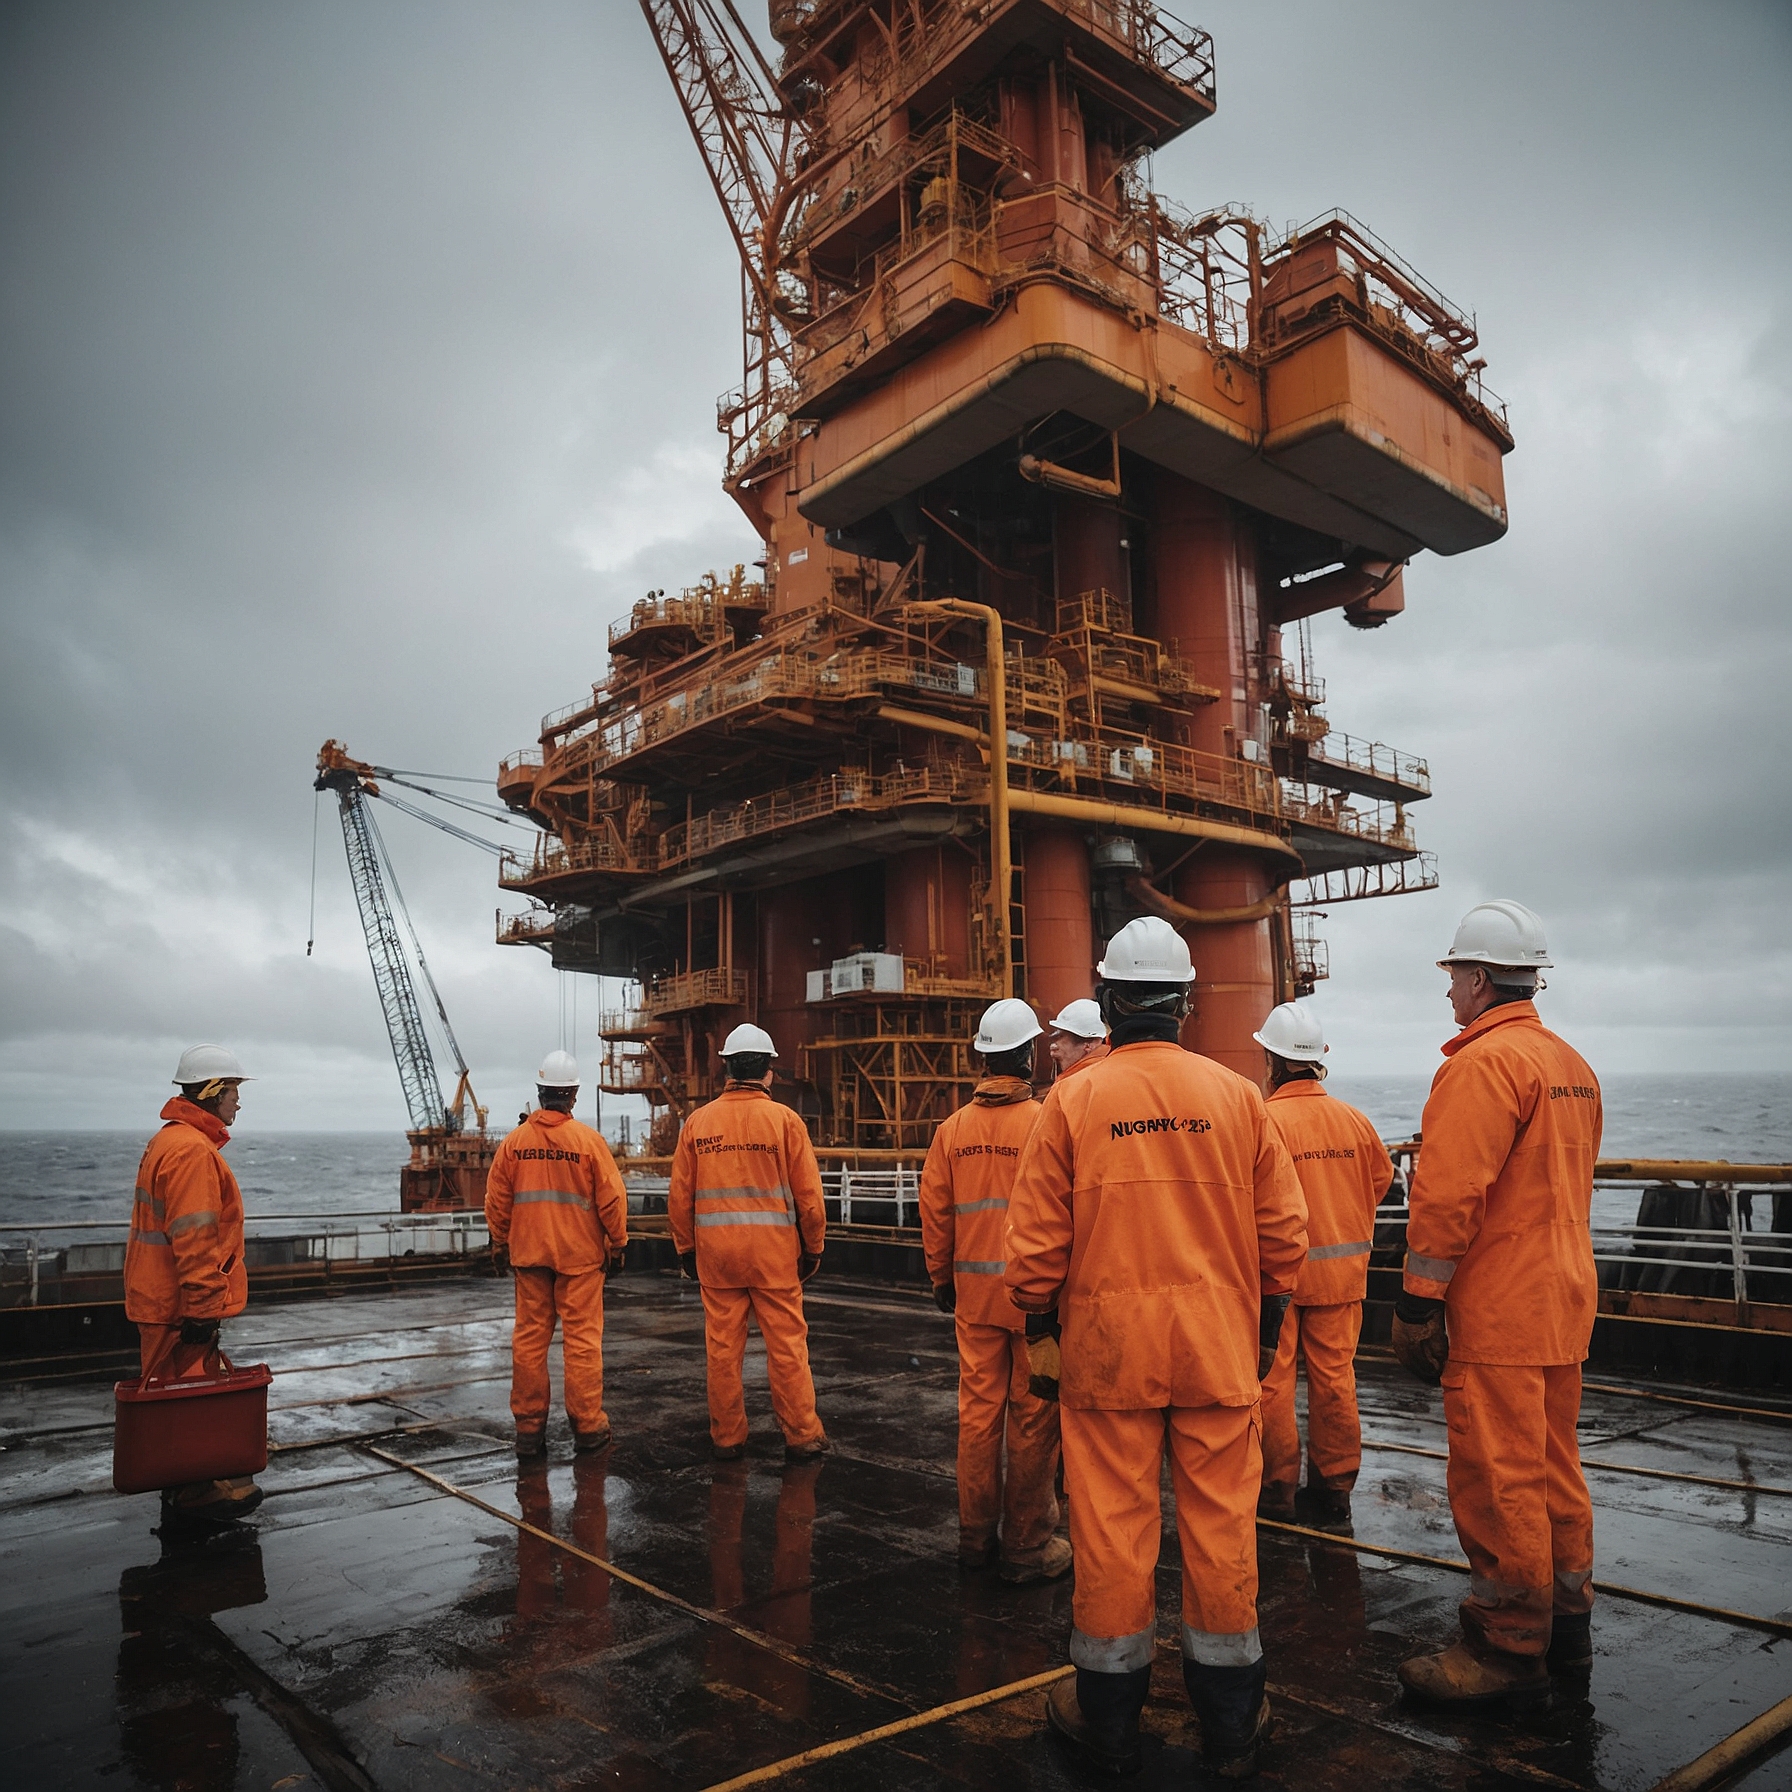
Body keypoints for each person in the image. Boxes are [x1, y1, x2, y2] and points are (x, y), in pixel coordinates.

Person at [1006, 917, 1307, 1779]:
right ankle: (1232, 1723)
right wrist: (1265, 1326)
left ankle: (1106, 1719)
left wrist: (1040, 1327)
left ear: (1107, 1001)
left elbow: (1033, 1252)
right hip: (1216, 1352)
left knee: (1111, 1536)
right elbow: (1284, 1236)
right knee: (1221, 1533)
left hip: (1108, 1360)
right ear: (1187, 1001)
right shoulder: (1238, 1096)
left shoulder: (1072, 1100)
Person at [1391, 901, 1602, 1707]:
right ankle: (1568, 1633)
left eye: (1453, 977)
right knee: (1555, 1471)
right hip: (1563, 1299)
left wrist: (1417, 1304)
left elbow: (1448, 1200)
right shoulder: (1571, 1065)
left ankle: (1508, 1650)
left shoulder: (1480, 1067)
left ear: (1480, 978)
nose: (1449, 994)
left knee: (1498, 1476)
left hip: (1502, 1311)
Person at [919, 998, 1069, 1583]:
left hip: (973, 1302)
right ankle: (1027, 1547)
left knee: (977, 1416)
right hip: (1038, 1307)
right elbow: (1065, 1212)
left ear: (982, 1058)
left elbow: (936, 1215)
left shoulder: (952, 1131)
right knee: (1034, 1418)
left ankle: (974, 1538)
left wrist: (940, 1277)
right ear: (1029, 1055)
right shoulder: (1046, 1121)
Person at [1252, 1001, 1394, 1526]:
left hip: (1280, 1279)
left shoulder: (1264, 1120)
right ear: (1317, 1061)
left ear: (1273, 1059)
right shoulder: (1353, 1120)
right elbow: (1380, 1183)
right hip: (1343, 1277)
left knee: (1273, 1383)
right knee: (1337, 1379)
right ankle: (1334, 1489)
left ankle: (1276, 1492)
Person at [669, 1024, 829, 1462]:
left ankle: (727, 1438)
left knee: (722, 1351)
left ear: (726, 1068)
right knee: (788, 1349)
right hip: (775, 1257)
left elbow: (680, 1197)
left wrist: (686, 1249)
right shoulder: (784, 1122)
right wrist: (813, 1248)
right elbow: (810, 1199)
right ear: (769, 1071)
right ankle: (802, 1436)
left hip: (717, 1259)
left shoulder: (698, 1123)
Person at [124, 1045, 262, 1524]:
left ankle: (190, 1487)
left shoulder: (171, 1141)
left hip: (161, 1296)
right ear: (210, 1091)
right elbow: (195, 1238)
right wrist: (203, 1309)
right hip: (177, 1304)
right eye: (232, 1091)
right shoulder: (190, 1152)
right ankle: (192, 1494)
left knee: (177, 1401)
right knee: (184, 1402)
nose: (237, 1102)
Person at [485, 1051, 629, 1459]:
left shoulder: (514, 1144)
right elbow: (612, 1200)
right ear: (574, 1096)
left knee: (529, 1342)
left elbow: (496, 1200)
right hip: (580, 1261)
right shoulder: (588, 1143)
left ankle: (529, 1431)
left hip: (529, 1258)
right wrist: (617, 1243)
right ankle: (587, 1426)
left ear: (540, 1092)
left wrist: (499, 1241)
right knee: (582, 1342)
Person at [1046, 997, 1108, 1082]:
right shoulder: (1118, 1070)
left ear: (1090, 1044)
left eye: (1060, 1037)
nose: (1052, 1048)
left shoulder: (1072, 1086)